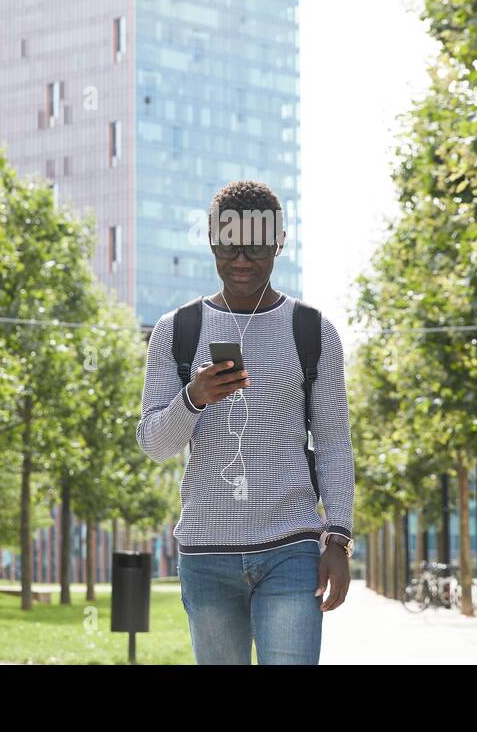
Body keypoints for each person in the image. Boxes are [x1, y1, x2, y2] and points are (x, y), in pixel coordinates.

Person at [137, 181, 355, 665]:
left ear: (278, 242)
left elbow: (335, 441)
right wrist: (194, 397)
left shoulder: (313, 331)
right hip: (206, 554)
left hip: (291, 549)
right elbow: (155, 444)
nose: (241, 258)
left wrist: (338, 537)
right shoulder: (177, 331)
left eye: (255, 245)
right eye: (228, 243)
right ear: (212, 240)